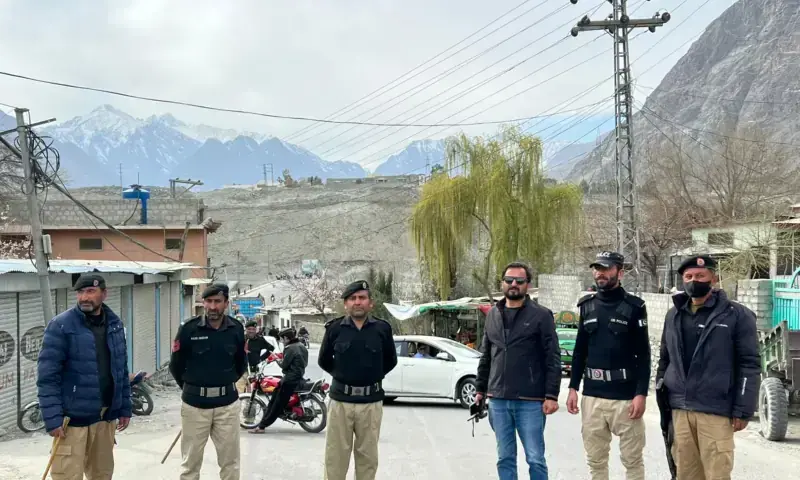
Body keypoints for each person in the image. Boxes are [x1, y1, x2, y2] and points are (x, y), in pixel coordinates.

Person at [656, 255, 760, 480]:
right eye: (689, 276)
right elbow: (665, 360)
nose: (694, 280)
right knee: (685, 473)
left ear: (713, 278)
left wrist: (743, 409)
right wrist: (662, 392)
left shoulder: (737, 315)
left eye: (700, 276)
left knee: (717, 474)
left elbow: (749, 364)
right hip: (680, 410)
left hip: (715, 410)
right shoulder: (673, 315)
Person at [37, 273, 132, 480]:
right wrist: (52, 418)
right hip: (71, 422)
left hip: (105, 419)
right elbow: (47, 377)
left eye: (90, 291)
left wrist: (124, 406)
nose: (84, 298)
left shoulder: (114, 325)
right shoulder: (61, 326)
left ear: (104, 294)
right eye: (80, 292)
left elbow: (120, 370)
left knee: (102, 475)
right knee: (67, 476)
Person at [566, 251, 651, 480]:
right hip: (592, 397)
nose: (599, 273)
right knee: (596, 462)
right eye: (596, 268)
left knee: (632, 461)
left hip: (625, 397)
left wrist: (641, 393)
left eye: (605, 268)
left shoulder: (634, 307)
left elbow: (643, 355)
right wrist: (573, 387)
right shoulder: (587, 306)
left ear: (619, 272)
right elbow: (579, 351)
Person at [475, 262, 561, 480]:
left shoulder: (541, 316)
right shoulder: (493, 314)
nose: (514, 284)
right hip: (498, 400)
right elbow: (486, 356)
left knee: (535, 458)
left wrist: (551, 395)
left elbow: (552, 358)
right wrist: (480, 389)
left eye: (519, 281)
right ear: (502, 283)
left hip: (530, 400)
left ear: (527, 285)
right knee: (504, 458)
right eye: (509, 280)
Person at [318, 280, 398, 480]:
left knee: (368, 460)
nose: (357, 302)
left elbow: (390, 360)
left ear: (370, 303)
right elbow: (324, 360)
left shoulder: (382, 329)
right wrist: (344, 377)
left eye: (362, 298)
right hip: (340, 403)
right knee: (335, 459)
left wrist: (371, 378)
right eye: (352, 298)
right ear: (346, 304)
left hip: (371, 403)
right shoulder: (335, 329)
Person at [169, 283, 246, 480]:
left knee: (231, 464)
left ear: (226, 303)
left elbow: (240, 365)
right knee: (190, 465)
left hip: (227, 407)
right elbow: (176, 366)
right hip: (195, 407)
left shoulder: (236, 329)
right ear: (203, 303)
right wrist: (193, 389)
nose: (213, 307)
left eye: (217, 302)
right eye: (209, 301)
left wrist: (223, 386)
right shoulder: (188, 329)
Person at [249, 327, 308, 433]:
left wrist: (276, 358)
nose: (281, 341)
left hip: (290, 379)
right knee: (275, 394)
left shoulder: (290, 348)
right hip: (299, 376)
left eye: (282, 339)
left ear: (286, 338)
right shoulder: (301, 346)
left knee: (276, 404)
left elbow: (284, 365)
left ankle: (262, 426)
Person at [236, 321, 274, 392]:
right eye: (249, 329)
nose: (251, 331)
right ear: (246, 329)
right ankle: (242, 401)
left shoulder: (260, 340)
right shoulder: (240, 338)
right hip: (241, 369)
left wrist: (260, 359)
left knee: (252, 390)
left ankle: (249, 402)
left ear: (256, 330)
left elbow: (271, 348)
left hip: (253, 369)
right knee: (240, 390)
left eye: (253, 329)